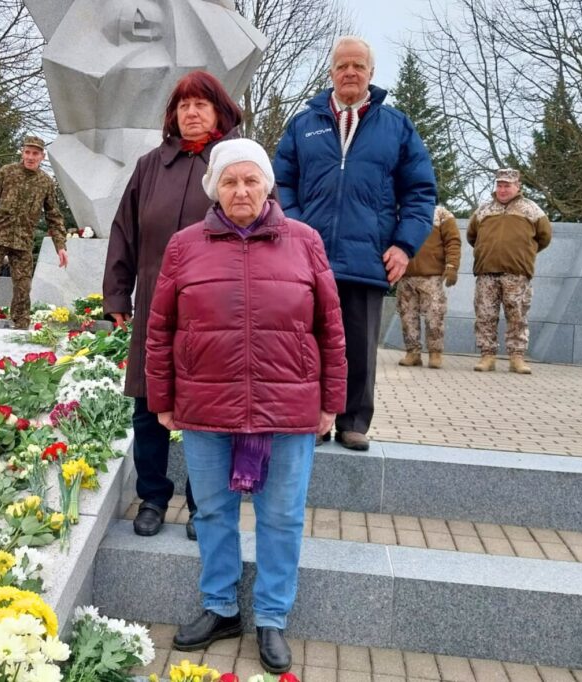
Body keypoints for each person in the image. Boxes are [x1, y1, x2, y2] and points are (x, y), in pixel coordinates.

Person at [146, 138, 346, 673]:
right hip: (208, 406)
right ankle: (221, 607)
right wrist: (162, 397)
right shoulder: (185, 245)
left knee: (281, 518)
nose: (241, 190)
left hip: (288, 410)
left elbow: (331, 329)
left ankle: (273, 617)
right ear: (214, 187)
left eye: (250, 180)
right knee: (213, 513)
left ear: (267, 186)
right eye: (230, 181)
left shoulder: (305, 241)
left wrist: (332, 402)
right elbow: (160, 327)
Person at [273, 35, 436, 451]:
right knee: (306, 343)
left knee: (359, 346)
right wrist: (295, 229)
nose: (350, 72)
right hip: (308, 259)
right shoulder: (303, 124)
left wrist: (404, 246)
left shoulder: (396, 126)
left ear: (371, 74)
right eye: (342, 65)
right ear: (331, 72)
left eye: (358, 66)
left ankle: (353, 421)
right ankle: (311, 418)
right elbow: (280, 184)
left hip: (367, 258)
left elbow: (419, 192)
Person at [104, 70, 242, 540]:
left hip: (217, 313)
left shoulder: (236, 166)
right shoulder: (149, 167)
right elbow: (124, 231)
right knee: (149, 404)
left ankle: (204, 503)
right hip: (155, 309)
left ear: (219, 111)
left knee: (207, 407)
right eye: (183, 105)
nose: (191, 112)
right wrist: (117, 294)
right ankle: (153, 497)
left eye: (201, 104)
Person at [0, 135, 69, 329]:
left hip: (23, 243)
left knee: (23, 289)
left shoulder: (46, 182)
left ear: (42, 156)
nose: (31, 157)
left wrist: (61, 247)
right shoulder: (7, 172)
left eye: (35, 153)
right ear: (22, 153)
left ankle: (21, 327)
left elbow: (54, 216)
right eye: (27, 152)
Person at [467, 169, 552, 374]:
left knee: (517, 316)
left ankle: (517, 358)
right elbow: (472, 236)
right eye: (500, 185)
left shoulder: (531, 209)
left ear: (517, 186)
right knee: (485, 315)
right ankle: (487, 356)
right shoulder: (483, 209)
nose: (503, 189)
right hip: (486, 272)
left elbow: (544, 237)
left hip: (517, 274)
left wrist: (524, 253)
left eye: (507, 185)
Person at [396, 205, 461, 368]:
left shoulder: (442, 213)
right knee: (407, 316)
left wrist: (452, 266)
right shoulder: (401, 211)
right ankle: (412, 353)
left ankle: (435, 353)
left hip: (431, 276)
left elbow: (453, 241)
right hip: (405, 274)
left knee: (435, 315)